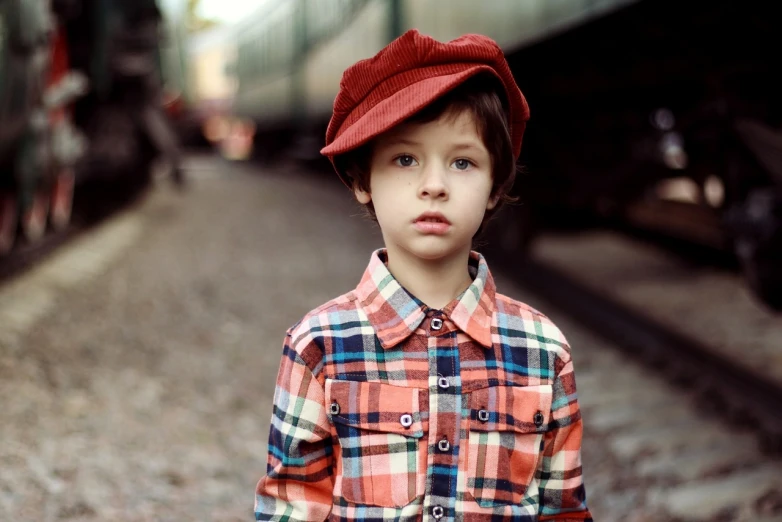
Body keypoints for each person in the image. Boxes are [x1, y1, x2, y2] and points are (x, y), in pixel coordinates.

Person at [255, 29, 592, 521]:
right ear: (362, 180)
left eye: (462, 162)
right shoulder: (319, 345)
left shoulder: (543, 350)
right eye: (405, 159)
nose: (433, 185)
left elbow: (564, 510)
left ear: (495, 187)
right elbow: (290, 505)